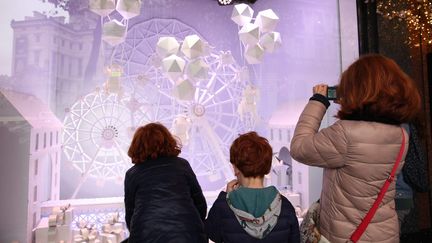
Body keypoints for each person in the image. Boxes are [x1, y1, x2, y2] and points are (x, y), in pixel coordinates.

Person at [290, 54, 421, 243]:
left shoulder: (346, 134)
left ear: (356, 90)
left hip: (347, 236)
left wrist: (318, 101)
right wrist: (354, 105)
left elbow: (299, 148)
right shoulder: (400, 135)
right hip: (384, 234)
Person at [205, 132, 300, 243]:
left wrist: (224, 197)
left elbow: (211, 234)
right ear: (268, 168)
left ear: (235, 169)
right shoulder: (285, 206)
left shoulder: (223, 207)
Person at [124, 123, 207, 243]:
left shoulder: (132, 174)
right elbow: (199, 203)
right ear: (168, 141)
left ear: (137, 146)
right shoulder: (182, 165)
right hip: (186, 234)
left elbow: (130, 214)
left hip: (145, 235)